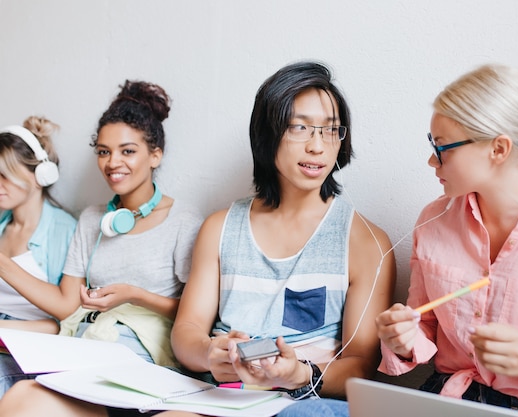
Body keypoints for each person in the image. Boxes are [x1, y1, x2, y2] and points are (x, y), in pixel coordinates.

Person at [279, 63, 518, 417]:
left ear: (498, 149)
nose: (432, 160)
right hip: (447, 403)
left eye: (442, 146)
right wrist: (403, 338)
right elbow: (425, 328)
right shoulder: (434, 220)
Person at [151, 61, 395, 417]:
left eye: (330, 131)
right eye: (299, 127)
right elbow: (187, 331)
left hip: (306, 403)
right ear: (268, 134)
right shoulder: (220, 228)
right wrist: (210, 353)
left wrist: (300, 374)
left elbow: (361, 366)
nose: (317, 147)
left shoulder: (366, 241)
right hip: (223, 397)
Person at [0, 80, 203, 416]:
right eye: (104, 152)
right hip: (86, 352)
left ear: (155, 155)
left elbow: (197, 316)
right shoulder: (94, 219)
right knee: (20, 396)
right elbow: (66, 306)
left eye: (127, 151)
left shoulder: (183, 221)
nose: (112, 163)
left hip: (145, 361)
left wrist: (134, 294)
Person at [0, 116, 77, 394]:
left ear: (39, 176)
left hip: (30, 349)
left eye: (5, 175)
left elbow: (65, 321)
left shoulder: (63, 230)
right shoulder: (2, 224)